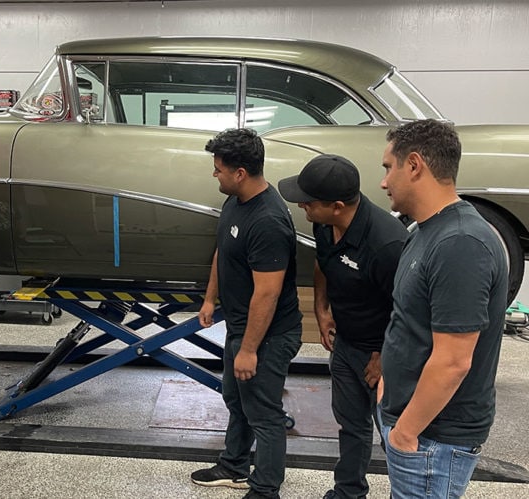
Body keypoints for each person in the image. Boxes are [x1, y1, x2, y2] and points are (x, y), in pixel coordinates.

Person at [378, 119, 508, 498]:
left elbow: (454, 361)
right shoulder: (423, 231)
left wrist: (406, 432)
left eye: (388, 167)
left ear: (414, 165)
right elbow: (409, 321)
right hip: (413, 427)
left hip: (432, 439)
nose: (384, 182)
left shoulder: (461, 243)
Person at [278, 154, 408, 499]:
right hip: (346, 344)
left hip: (383, 353)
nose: (302, 207)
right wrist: (322, 309)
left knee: (397, 434)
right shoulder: (323, 224)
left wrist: (382, 356)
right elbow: (324, 262)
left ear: (337, 206)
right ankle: (348, 491)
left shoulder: (387, 244)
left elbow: (407, 309)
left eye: (308, 202)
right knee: (351, 425)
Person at [190, 128, 302, 499]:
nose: (214, 174)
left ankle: (266, 489)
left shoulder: (268, 220)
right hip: (241, 327)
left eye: (219, 169)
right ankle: (234, 466)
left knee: (264, 413)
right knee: (237, 400)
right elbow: (223, 251)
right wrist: (210, 299)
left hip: (269, 333)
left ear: (240, 172)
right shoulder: (235, 201)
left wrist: (250, 349)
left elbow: (267, 294)